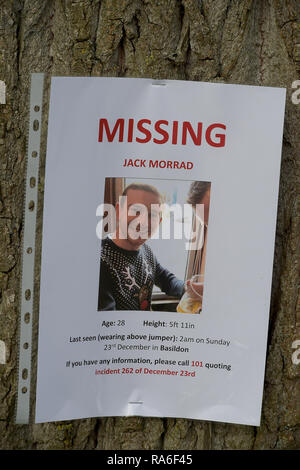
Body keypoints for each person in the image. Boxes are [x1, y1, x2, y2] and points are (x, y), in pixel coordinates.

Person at [98, 183, 185, 311]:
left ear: (159, 221)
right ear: (118, 211)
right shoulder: (100, 262)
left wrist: (188, 289)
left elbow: (165, 279)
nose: (143, 221)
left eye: (152, 215)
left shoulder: (146, 250)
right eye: (136, 211)